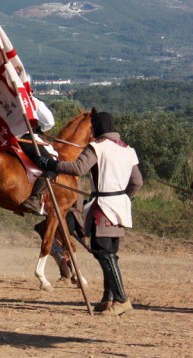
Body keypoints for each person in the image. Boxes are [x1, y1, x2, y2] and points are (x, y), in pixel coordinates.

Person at [35, 111, 142, 315]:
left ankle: (121, 299)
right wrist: (124, 197)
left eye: (93, 128)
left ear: (98, 128)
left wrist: (52, 164)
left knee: (102, 253)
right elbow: (137, 182)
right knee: (110, 253)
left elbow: (78, 168)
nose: (91, 131)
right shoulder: (128, 150)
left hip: (104, 206)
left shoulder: (97, 147)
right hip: (121, 206)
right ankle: (108, 298)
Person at [20, 93, 57, 215]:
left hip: (6, 139)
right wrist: (42, 130)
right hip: (26, 138)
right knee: (52, 167)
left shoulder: (6, 98)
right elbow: (50, 121)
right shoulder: (33, 101)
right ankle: (34, 198)